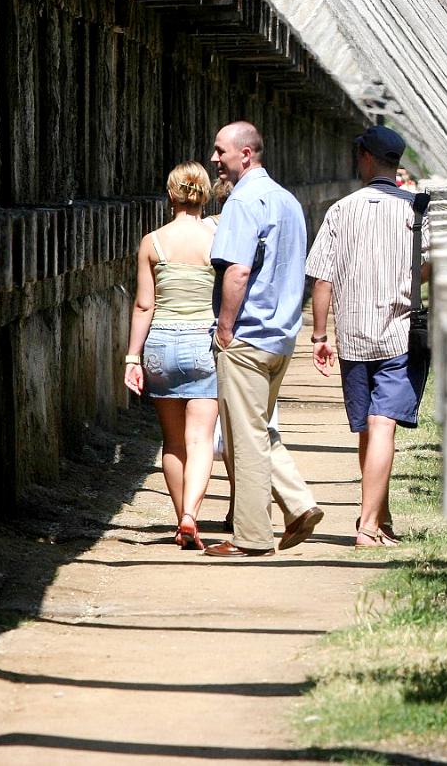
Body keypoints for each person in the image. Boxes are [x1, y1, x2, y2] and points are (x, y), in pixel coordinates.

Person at [203, 121, 323, 558]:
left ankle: (252, 537)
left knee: (244, 436)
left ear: (246, 154)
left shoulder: (242, 201)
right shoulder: (287, 201)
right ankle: (299, 505)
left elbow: (237, 270)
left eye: (221, 151)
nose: (215, 159)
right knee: (257, 428)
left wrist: (225, 328)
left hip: (247, 337)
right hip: (281, 336)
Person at [307, 126, 430, 547]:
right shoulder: (416, 209)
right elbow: (430, 265)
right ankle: (368, 526)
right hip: (399, 332)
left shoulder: (340, 211)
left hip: (353, 335)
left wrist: (319, 335)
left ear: (364, 156)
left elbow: (322, 279)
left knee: (368, 428)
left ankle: (377, 517)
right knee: (382, 425)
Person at [122, 162, 220, 551]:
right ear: (206, 194)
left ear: (170, 195)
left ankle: (181, 516)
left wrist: (132, 357)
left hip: (160, 344)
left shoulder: (153, 242)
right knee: (200, 440)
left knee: (173, 441)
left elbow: (144, 304)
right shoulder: (218, 238)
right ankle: (191, 515)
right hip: (203, 342)